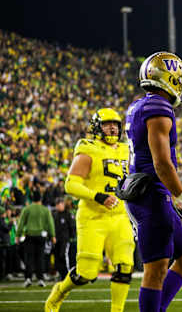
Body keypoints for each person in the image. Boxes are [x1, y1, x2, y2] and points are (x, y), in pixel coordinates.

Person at [124, 52, 182, 312]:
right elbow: (162, 164)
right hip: (153, 195)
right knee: (155, 270)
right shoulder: (159, 107)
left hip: (147, 193)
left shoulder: (138, 106)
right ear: (170, 77)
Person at [45, 108, 134, 312]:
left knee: (125, 266)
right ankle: (58, 293)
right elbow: (70, 185)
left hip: (120, 216)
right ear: (96, 127)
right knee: (86, 273)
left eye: (116, 124)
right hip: (92, 216)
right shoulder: (89, 148)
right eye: (107, 123)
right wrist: (98, 196)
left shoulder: (125, 149)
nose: (112, 127)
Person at [18, 190, 54, 288]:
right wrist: (52, 235)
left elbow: (21, 223)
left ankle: (28, 278)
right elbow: (50, 224)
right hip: (41, 236)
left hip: (29, 235)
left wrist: (18, 235)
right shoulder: (45, 209)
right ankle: (40, 279)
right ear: (40, 198)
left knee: (29, 258)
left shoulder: (27, 209)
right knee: (40, 258)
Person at [51, 198, 76, 279]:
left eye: (60, 204)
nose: (58, 206)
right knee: (57, 258)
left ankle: (68, 275)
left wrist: (71, 236)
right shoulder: (54, 215)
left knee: (64, 257)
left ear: (63, 204)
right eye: (57, 204)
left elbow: (72, 226)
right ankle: (62, 274)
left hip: (65, 240)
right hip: (56, 240)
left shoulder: (68, 214)